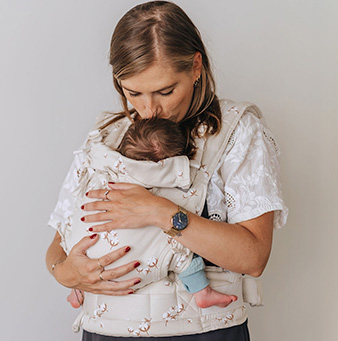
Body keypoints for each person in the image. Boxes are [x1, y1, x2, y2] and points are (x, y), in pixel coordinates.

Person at [46, 1, 287, 339]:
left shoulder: (236, 131)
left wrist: (159, 212)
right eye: (133, 93)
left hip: (203, 333)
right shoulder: (104, 137)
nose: (149, 109)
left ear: (196, 66)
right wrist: (67, 273)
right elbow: (58, 243)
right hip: (105, 330)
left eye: (165, 90)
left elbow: (253, 257)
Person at [62, 117, 237, 309]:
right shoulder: (167, 175)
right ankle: (201, 291)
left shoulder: (101, 161)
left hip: (82, 254)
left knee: (77, 225)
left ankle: (78, 290)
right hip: (131, 266)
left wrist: (67, 272)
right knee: (181, 250)